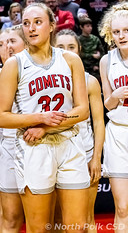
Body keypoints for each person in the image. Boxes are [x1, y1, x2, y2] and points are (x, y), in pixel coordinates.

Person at [0, 3, 90, 232]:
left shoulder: (70, 60)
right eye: (26, 24)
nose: (31, 28)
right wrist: (39, 118)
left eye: (38, 22)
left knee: (76, 227)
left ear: (52, 26)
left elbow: (82, 110)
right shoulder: (14, 64)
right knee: (39, 228)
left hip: (69, 143)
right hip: (33, 148)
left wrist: (47, 126)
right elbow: (1, 117)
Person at [55, 29, 104, 233]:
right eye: (61, 47)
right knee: (56, 220)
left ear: (80, 49)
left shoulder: (89, 81)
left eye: (71, 47)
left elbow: (99, 122)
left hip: (84, 153)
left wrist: (96, 158)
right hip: (54, 153)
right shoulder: (42, 79)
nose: (66, 52)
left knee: (85, 219)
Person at [0, 25, 26, 233]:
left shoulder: (34, 68)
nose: (6, 48)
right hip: (4, 142)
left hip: (34, 139)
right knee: (8, 214)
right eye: (1, 44)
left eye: (12, 42)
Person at [99, 2, 128, 232]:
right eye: (116, 32)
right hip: (118, 133)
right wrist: (116, 95)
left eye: (126, 30)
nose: (121, 35)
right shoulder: (107, 61)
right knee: (123, 207)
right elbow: (107, 105)